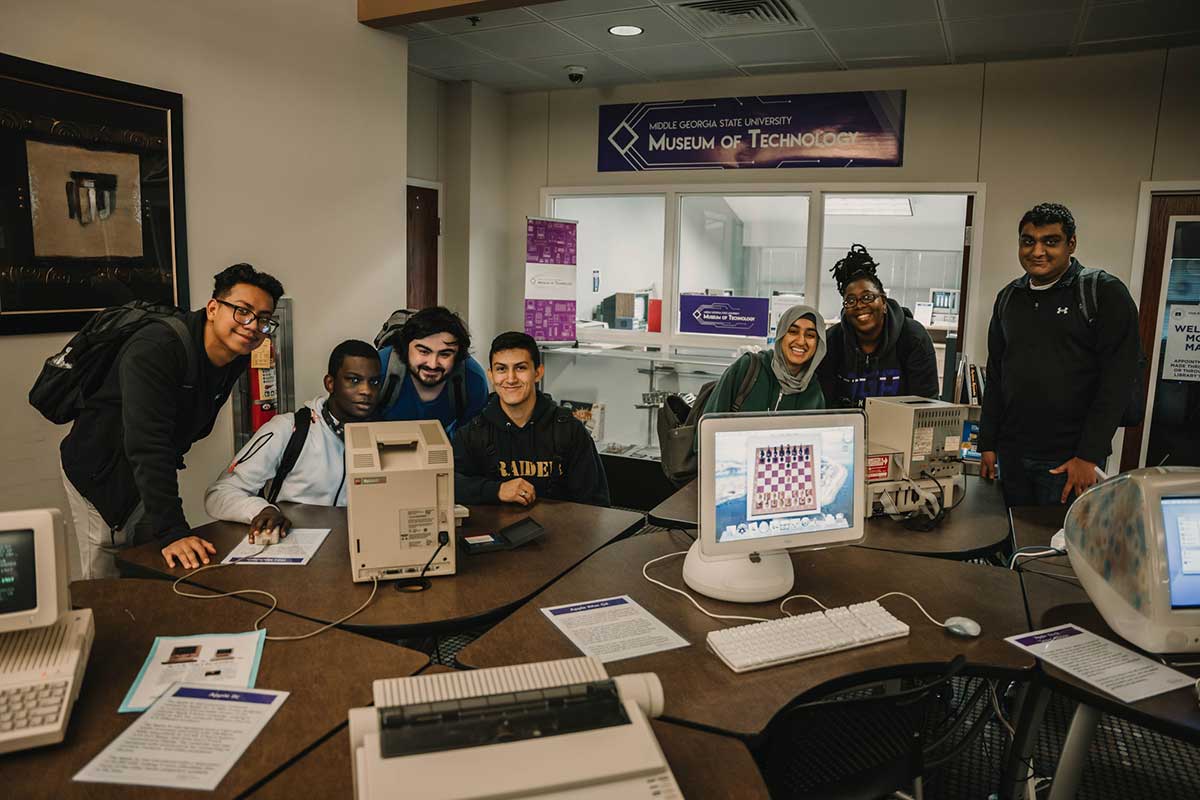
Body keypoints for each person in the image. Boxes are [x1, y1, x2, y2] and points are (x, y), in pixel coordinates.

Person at [60, 263, 285, 576]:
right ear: (213, 308)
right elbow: (146, 444)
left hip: (149, 469)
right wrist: (174, 531)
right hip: (102, 470)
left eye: (263, 320)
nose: (252, 326)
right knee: (109, 571)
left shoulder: (236, 355)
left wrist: (169, 531)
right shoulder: (155, 348)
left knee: (152, 564)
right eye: (243, 311)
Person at [979, 203, 1141, 506]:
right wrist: (987, 442)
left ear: (1071, 244)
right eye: (1028, 241)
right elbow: (997, 374)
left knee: (1057, 548)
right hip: (1012, 453)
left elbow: (1118, 381)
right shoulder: (1009, 298)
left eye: (1050, 241)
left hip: (1069, 460)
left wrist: (1088, 456)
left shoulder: (1103, 293)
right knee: (1012, 543)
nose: (1037, 251)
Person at [204, 339, 382, 540]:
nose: (366, 391)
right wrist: (263, 510)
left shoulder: (385, 436)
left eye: (374, 382)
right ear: (330, 383)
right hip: (294, 551)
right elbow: (219, 494)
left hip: (356, 552)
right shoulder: (288, 429)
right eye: (354, 380)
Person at [453, 331, 610, 507]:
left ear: (538, 372)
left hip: (561, 531)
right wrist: (496, 490)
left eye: (520, 368)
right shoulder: (472, 433)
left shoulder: (570, 431)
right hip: (493, 531)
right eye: (501, 369)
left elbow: (596, 504)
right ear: (491, 375)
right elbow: (449, 486)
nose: (510, 379)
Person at [818, 244, 940, 407]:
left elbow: (925, 406)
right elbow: (826, 404)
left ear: (883, 302)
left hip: (900, 429)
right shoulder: (833, 341)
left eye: (867, 297)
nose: (860, 305)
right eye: (851, 300)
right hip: (848, 428)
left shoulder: (913, 338)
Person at [698, 304, 828, 430]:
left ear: (818, 344)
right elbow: (708, 426)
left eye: (810, 335)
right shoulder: (748, 368)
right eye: (793, 331)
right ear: (781, 334)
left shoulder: (814, 392)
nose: (801, 341)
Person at [376, 306, 488, 436]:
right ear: (405, 347)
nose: (433, 364)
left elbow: (472, 442)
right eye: (423, 351)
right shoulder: (380, 367)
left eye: (445, 354)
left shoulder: (472, 379)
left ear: (458, 355)